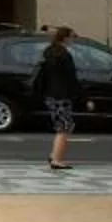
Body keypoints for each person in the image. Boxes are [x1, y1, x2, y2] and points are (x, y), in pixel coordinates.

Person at [34, 26, 84, 171]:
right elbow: (71, 78)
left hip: (50, 94)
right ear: (66, 38)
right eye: (73, 37)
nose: (73, 40)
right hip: (62, 94)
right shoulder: (64, 55)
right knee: (64, 127)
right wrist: (81, 96)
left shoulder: (48, 52)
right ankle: (57, 159)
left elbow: (42, 74)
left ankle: (53, 154)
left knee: (60, 125)